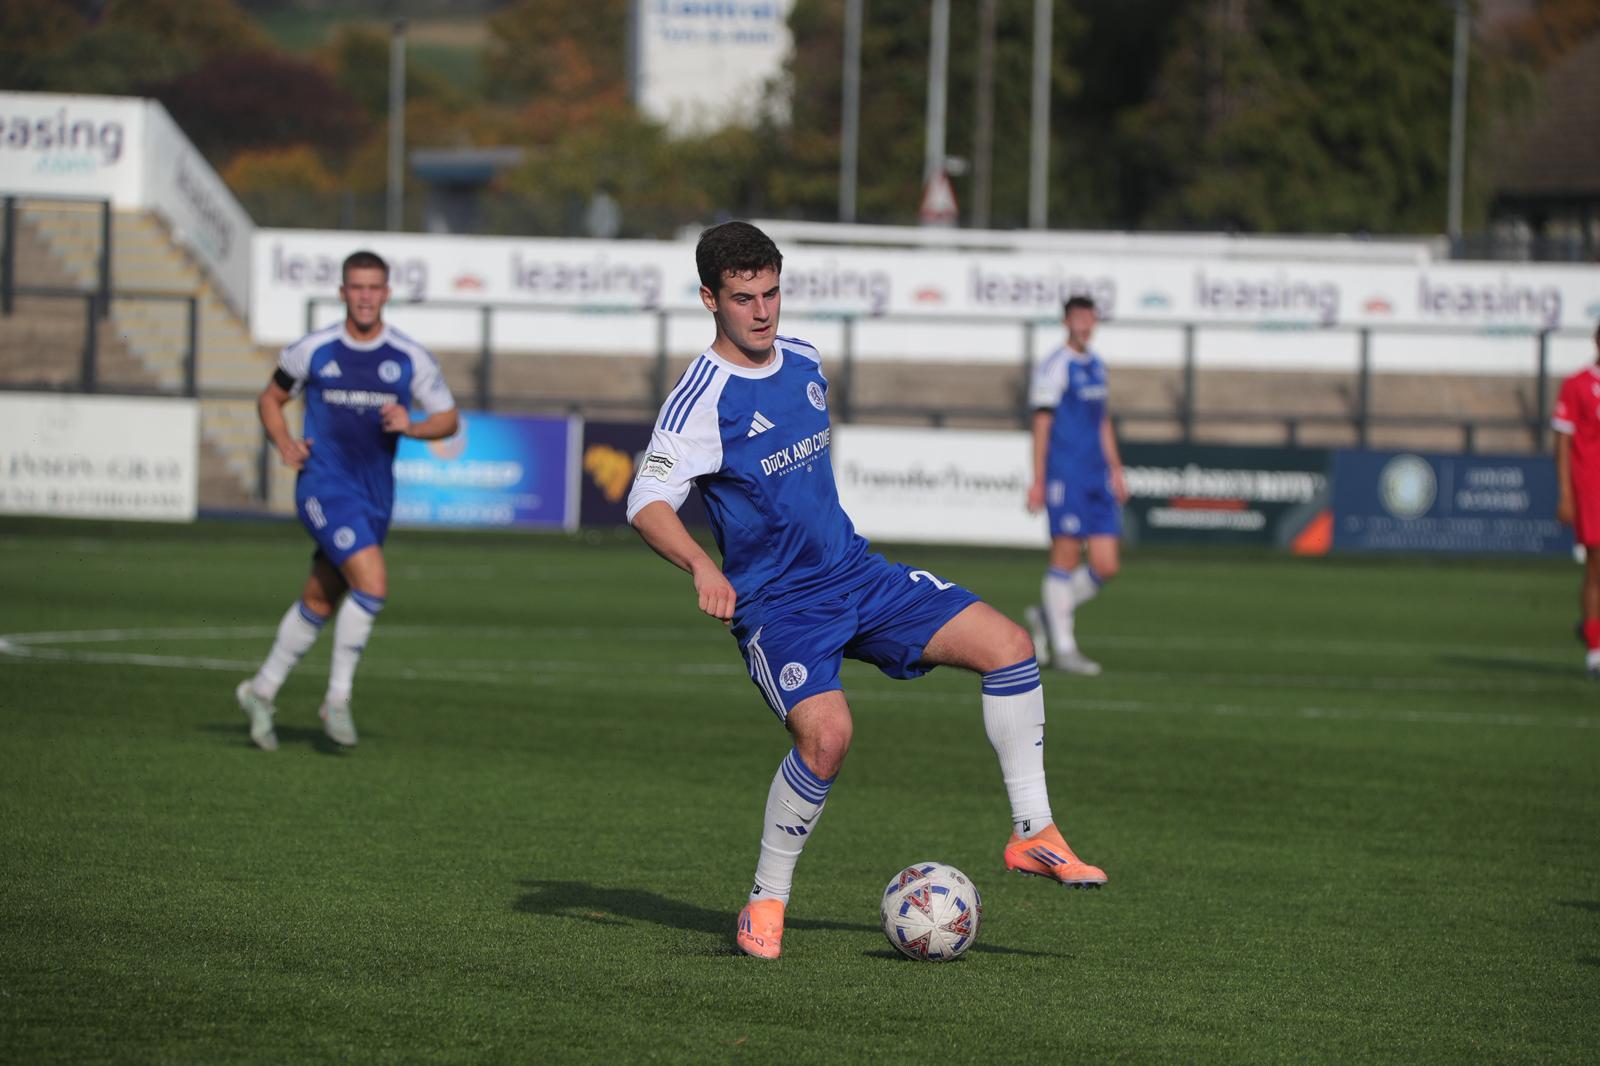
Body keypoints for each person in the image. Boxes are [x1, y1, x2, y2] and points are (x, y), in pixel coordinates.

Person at [625, 221, 1106, 960]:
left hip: (856, 573)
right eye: (744, 298)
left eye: (772, 293)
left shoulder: (805, 359)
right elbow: (646, 500)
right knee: (828, 738)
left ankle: (1033, 832)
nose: (762, 311)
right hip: (780, 607)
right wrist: (701, 565)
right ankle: (767, 900)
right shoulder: (702, 398)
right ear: (709, 300)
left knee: (1010, 646)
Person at [235, 250, 458, 750]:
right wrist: (284, 443)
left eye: (374, 287)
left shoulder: (408, 357)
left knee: (321, 598)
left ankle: (260, 690)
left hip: (376, 495)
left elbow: (448, 419)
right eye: (356, 287)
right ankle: (337, 698)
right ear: (342, 292)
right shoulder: (313, 350)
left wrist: (412, 426)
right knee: (372, 584)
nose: (365, 296)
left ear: (387, 293)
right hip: (323, 485)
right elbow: (271, 398)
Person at [1023, 295, 1128, 676]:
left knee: (1106, 565)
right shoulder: (1055, 365)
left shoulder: (1097, 365)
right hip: (1066, 475)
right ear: (1066, 321)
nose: (1085, 324)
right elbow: (1042, 425)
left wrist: (1116, 468)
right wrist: (1038, 479)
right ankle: (1065, 649)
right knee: (1065, 558)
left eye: (1090, 317)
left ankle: (1046, 615)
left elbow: (1102, 421)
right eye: (1078, 317)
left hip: (1097, 476)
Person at [1552, 320, 1600, 678]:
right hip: (1591, 485)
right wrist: (1566, 494)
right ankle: (1595, 649)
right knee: (1596, 565)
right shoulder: (1577, 384)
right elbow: (1563, 441)